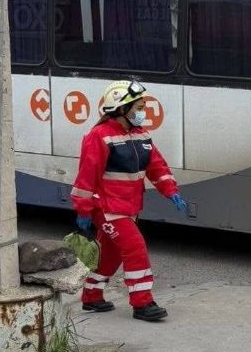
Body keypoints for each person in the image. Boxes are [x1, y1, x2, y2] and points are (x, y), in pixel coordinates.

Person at [71, 80, 188, 322]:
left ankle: (91, 296)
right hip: (107, 207)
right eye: (139, 107)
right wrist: (83, 210)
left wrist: (171, 191)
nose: (143, 112)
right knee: (136, 250)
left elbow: (157, 166)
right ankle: (142, 303)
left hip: (128, 207)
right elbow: (86, 176)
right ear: (122, 108)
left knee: (111, 256)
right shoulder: (99, 136)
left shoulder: (140, 135)